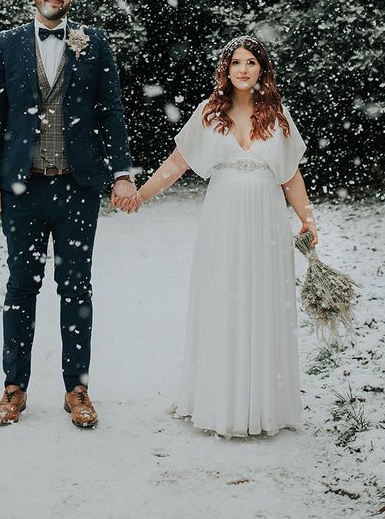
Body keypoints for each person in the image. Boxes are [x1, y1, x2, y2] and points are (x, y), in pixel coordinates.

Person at [114, 35, 317, 438]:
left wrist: (307, 220)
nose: (243, 70)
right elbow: (179, 162)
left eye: (251, 63)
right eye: (236, 62)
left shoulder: (278, 116)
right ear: (226, 70)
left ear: (262, 70)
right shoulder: (210, 113)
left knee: (262, 302)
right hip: (223, 218)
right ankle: (220, 400)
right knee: (224, 299)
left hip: (266, 222)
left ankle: (263, 404)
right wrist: (141, 196)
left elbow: (291, 174)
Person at [0, 0, 137, 427]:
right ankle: (14, 388)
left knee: (76, 289)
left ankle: (77, 390)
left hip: (78, 188)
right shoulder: (7, 44)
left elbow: (111, 112)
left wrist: (122, 173)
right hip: (22, 192)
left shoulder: (95, 42)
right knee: (20, 288)